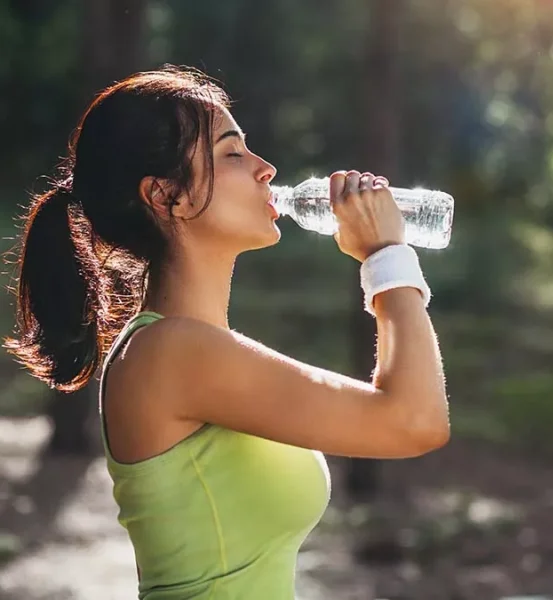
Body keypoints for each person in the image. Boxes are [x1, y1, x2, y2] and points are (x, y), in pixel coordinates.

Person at [4, 65, 449, 598]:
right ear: (168, 196)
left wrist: (387, 259)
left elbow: (403, 413)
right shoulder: (173, 352)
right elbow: (414, 421)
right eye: (232, 153)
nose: (266, 169)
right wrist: (386, 255)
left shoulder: (197, 347)